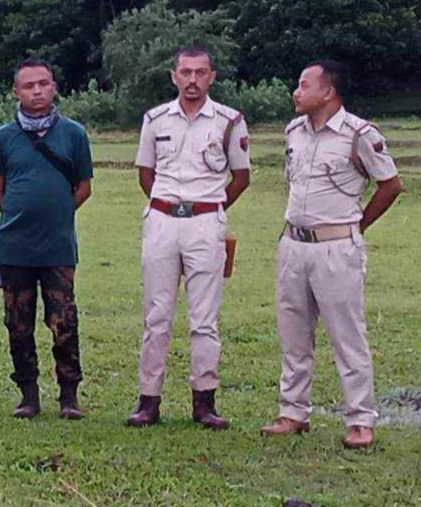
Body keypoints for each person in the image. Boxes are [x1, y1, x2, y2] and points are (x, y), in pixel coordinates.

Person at [262, 60, 401, 450]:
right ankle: (293, 411)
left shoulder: (359, 134)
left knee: (347, 335)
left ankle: (360, 419)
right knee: (293, 333)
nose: (296, 91)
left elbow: (391, 185)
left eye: (304, 85)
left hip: (337, 247)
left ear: (328, 92)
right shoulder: (294, 132)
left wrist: (357, 226)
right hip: (293, 244)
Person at [130, 43, 250, 430]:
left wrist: (210, 208)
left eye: (201, 73)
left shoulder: (229, 121)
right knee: (157, 314)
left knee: (205, 317)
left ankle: (204, 401)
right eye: (186, 72)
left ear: (212, 77)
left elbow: (241, 177)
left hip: (206, 221)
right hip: (163, 218)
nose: (193, 80)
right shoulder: (155, 119)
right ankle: (149, 401)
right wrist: (170, 207)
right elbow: (145, 174)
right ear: (174, 76)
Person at [0, 59, 94, 419]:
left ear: (54, 87)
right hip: (15, 247)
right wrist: (22, 215)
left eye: (43, 84)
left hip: (58, 246)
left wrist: (57, 213)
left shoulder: (74, 134)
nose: (37, 91)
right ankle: (28, 395)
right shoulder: (3, 138)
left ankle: (69, 395)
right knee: (18, 323)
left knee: (64, 321)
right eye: (29, 86)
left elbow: (83, 188)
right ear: (16, 91)